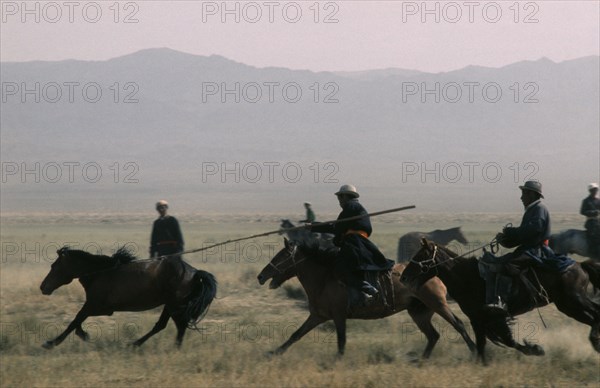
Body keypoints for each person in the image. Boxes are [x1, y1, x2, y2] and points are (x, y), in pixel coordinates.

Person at [309, 184, 393, 304]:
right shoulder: (354, 208)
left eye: (339, 198)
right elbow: (339, 228)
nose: (339, 201)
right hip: (357, 241)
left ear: (345, 196)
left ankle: (369, 290)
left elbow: (336, 227)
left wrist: (313, 226)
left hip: (355, 243)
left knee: (340, 269)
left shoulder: (351, 206)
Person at [480, 181, 551, 312]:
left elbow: (534, 230)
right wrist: (506, 239)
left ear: (532, 194)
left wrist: (510, 232)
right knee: (496, 261)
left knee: (506, 265)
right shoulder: (533, 209)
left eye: (524, 193)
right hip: (528, 249)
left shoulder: (539, 209)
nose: (521, 197)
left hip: (535, 251)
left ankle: (501, 302)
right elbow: (525, 235)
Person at [580, 183, 600, 257]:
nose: (595, 191)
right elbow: (582, 211)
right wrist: (593, 212)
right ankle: (593, 253)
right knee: (595, 237)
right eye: (593, 190)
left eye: (596, 190)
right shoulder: (586, 201)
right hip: (591, 222)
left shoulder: (598, 200)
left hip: (598, 222)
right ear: (590, 191)